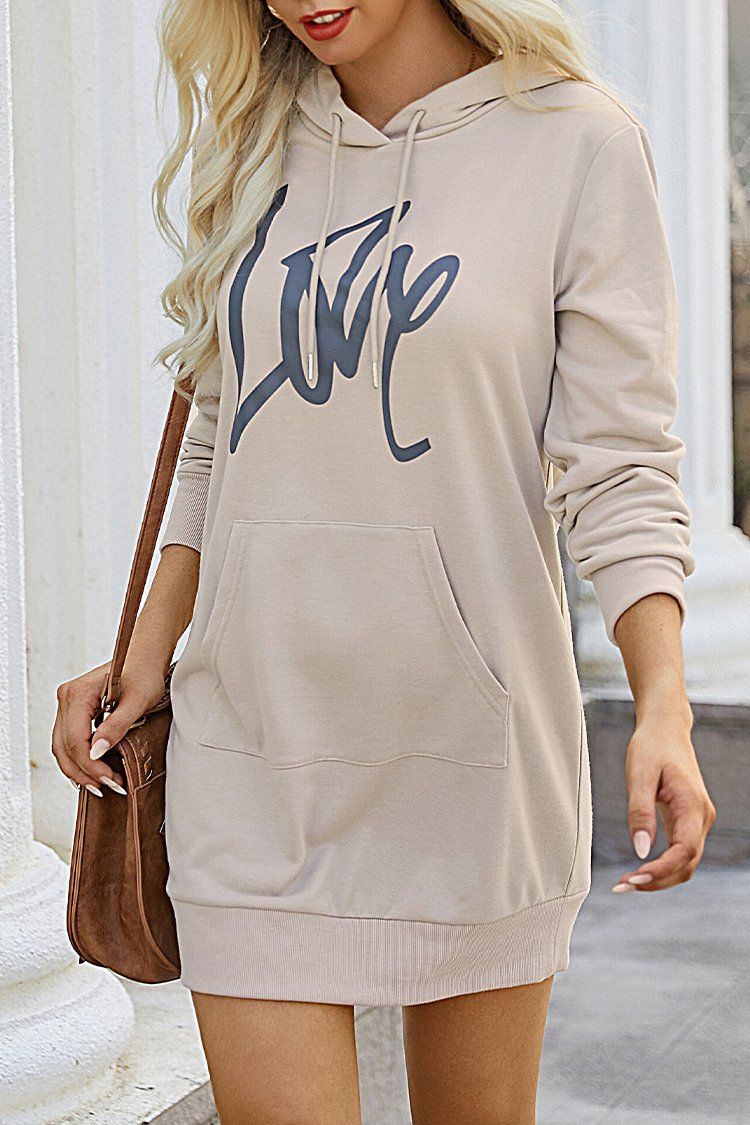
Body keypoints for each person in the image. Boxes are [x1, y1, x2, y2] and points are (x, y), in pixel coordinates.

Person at [52, 1, 717, 1121]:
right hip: (252, 753)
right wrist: (146, 650)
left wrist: (663, 702)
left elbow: (620, 463)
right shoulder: (257, 137)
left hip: (471, 757)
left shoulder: (578, 141)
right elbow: (216, 436)